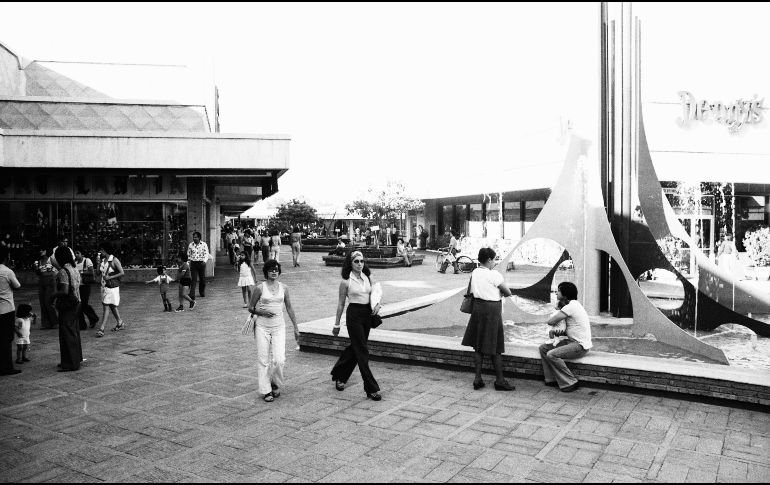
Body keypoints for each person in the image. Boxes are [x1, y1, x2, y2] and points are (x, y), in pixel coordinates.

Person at [330, 250, 383, 401]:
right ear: (350, 263)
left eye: (362, 261)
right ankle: (371, 388)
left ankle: (340, 374)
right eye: (356, 261)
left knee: (356, 347)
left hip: (367, 314)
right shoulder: (346, 281)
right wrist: (336, 324)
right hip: (354, 315)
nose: (360, 264)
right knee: (362, 351)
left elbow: (376, 294)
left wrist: (378, 305)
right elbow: (340, 304)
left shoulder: (368, 277)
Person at [461, 247, 515, 391]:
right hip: (492, 311)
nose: (495, 262)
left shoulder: (475, 272)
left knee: (478, 345)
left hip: (478, 309)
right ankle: (500, 380)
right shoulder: (494, 275)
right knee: (495, 346)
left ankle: (477, 378)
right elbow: (508, 292)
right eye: (494, 259)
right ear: (489, 259)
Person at [248, 259, 299, 402]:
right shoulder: (259, 288)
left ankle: (275, 383)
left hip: (279, 327)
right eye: (271, 270)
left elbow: (289, 307)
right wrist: (262, 313)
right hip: (262, 327)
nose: (274, 272)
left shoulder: (284, 288)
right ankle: (266, 390)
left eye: (276, 269)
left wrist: (296, 327)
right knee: (263, 359)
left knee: (279, 359)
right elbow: (251, 307)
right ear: (266, 272)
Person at [538, 281, 592, 392]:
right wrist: (558, 332)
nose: (556, 293)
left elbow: (551, 321)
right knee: (543, 348)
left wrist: (556, 311)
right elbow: (571, 329)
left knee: (552, 354)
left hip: (580, 346)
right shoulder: (573, 305)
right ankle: (551, 379)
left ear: (565, 295)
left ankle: (570, 382)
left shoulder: (571, 307)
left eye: (558, 291)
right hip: (572, 342)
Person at [51, 246, 82, 372]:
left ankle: (70, 363)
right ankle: (76, 359)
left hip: (68, 305)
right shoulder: (74, 268)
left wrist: (53, 295)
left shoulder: (63, 271)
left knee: (66, 333)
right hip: (76, 302)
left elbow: (64, 291)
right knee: (73, 331)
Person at [95, 243, 125, 337]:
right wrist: (98, 263)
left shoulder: (114, 260)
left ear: (105, 250)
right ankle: (120, 323)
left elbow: (122, 272)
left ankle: (102, 328)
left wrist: (110, 277)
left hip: (112, 287)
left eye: (101, 250)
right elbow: (97, 273)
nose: (100, 252)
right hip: (104, 287)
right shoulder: (103, 260)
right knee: (112, 306)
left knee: (106, 306)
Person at [0, 246, 22, 375]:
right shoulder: (7, 271)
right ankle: (7, 366)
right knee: (7, 338)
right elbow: (17, 286)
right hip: (7, 308)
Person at [74, 249, 99, 329]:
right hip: (77, 286)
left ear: (82, 254)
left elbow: (91, 272)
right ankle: (82, 324)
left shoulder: (87, 260)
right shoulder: (74, 263)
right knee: (78, 305)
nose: (76, 254)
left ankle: (93, 318)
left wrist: (80, 272)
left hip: (85, 285)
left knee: (84, 304)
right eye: (75, 253)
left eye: (78, 252)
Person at [34, 248, 58, 329]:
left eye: (42, 250)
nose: (40, 251)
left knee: (49, 302)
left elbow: (59, 268)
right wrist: (37, 269)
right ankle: (46, 323)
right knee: (42, 303)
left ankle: (55, 322)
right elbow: (38, 273)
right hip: (42, 283)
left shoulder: (51, 259)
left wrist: (53, 275)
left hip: (50, 283)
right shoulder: (39, 261)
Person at [187, 231, 210, 300]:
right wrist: (189, 261)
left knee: (202, 279)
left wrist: (204, 261)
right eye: (193, 237)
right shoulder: (191, 245)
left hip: (201, 263)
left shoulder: (204, 244)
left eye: (196, 237)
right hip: (193, 263)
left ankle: (201, 291)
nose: (194, 238)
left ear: (199, 238)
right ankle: (192, 294)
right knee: (193, 279)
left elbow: (206, 254)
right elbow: (188, 254)